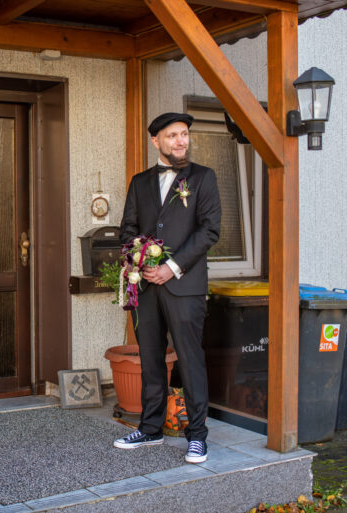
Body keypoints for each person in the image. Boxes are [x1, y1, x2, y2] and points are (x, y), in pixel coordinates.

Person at [114, 112, 221, 464]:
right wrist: (141, 263)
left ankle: (198, 436)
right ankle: (150, 429)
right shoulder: (140, 181)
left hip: (184, 286)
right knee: (150, 359)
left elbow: (209, 230)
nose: (181, 141)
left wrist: (171, 268)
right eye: (173, 135)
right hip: (146, 287)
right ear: (156, 141)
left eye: (185, 134)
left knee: (190, 360)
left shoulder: (203, 178)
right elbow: (127, 228)